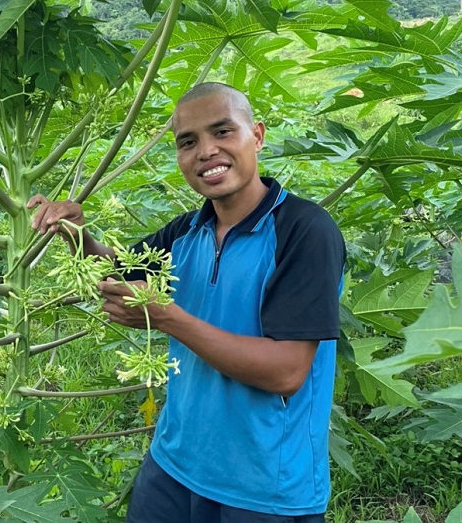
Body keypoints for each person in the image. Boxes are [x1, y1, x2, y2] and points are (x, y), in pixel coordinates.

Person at [28, 83, 345, 522]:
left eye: (222, 132)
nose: (206, 151)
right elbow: (115, 273)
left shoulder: (305, 230)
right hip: (174, 463)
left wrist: (169, 320)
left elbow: (286, 371)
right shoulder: (186, 231)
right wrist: (78, 234)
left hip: (262, 487)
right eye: (188, 142)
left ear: (257, 135)